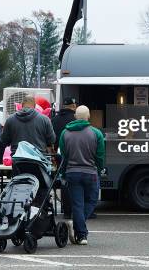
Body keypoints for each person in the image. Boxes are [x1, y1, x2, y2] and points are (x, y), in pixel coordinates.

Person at [58, 105, 105, 246]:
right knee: (91, 201)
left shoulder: (64, 133)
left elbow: (63, 156)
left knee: (77, 204)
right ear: (89, 116)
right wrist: (99, 169)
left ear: (75, 116)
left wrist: (63, 172)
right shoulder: (96, 133)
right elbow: (100, 156)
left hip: (72, 173)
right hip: (90, 172)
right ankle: (80, 229)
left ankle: (81, 235)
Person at [52, 97, 77, 219]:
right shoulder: (75, 119)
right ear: (73, 106)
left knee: (64, 180)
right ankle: (73, 209)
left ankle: (65, 208)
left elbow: (50, 139)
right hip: (74, 154)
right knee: (74, 183)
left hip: (58, 155)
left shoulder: (54, 120)